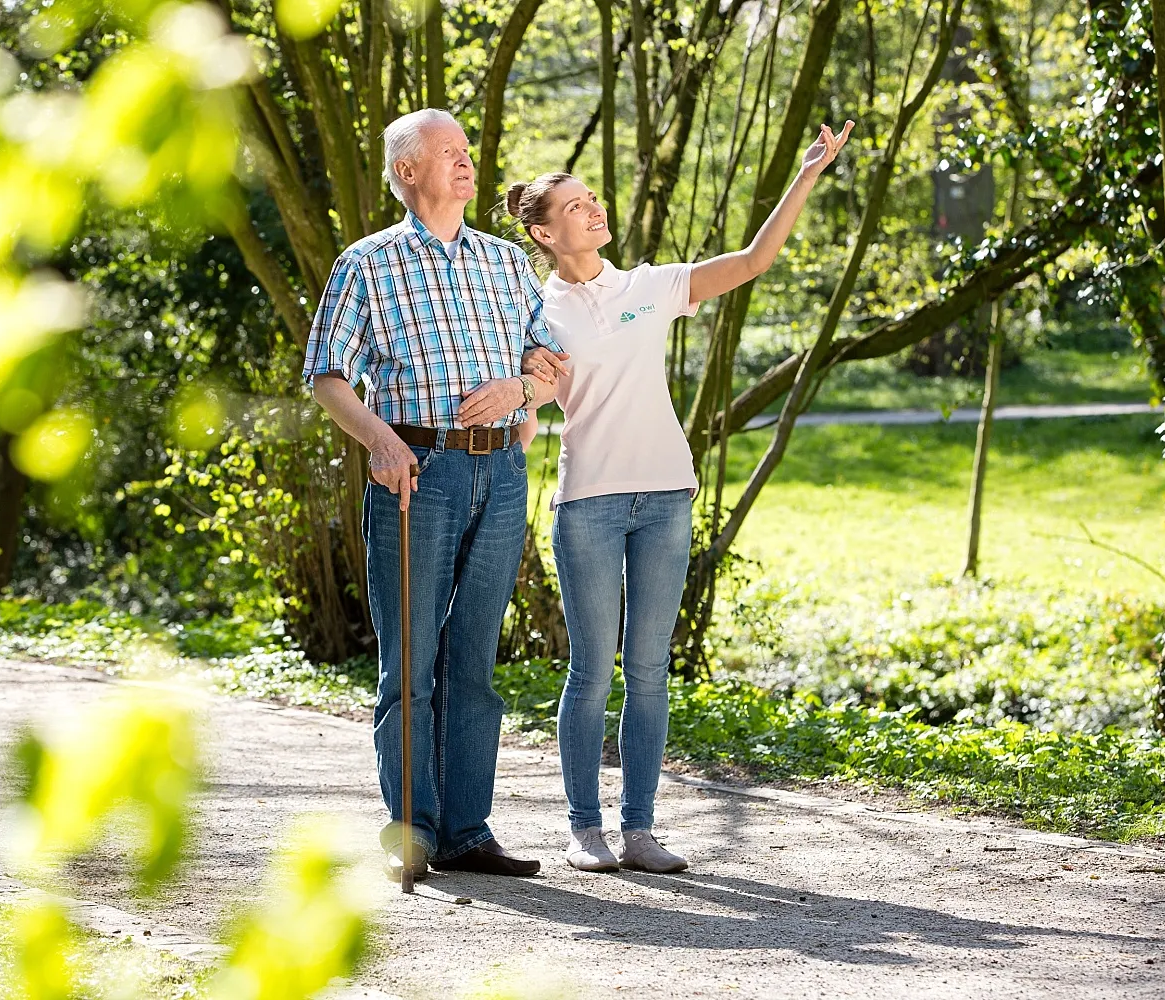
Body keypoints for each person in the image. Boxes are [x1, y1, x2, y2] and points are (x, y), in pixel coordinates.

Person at [508, 119, 855, 874]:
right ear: (541, 231)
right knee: (590, 672)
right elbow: (529, 403)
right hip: (589, 505)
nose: (593, 209)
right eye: (573, 206)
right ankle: (583, 829)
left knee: (652, 669)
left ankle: (639, 830)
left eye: (593, 197)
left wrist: (809, 171)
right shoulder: (532, 312)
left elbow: (755, 259)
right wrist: (524, 399)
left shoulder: (649, 285)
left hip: (666, 497)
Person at [303, 108, 571, 882]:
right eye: (447, 152)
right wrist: (381, 442)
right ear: (405, 171)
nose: (465, 161)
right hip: (416, 474)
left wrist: (522, 392)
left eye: (466, 149)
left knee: (473, 662)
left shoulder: (503, 262)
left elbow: (551, 367)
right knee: (411, 664)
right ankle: (413, 831)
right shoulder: (367, 263)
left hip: (500, 473)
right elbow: (325, 374)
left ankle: (465, 830)